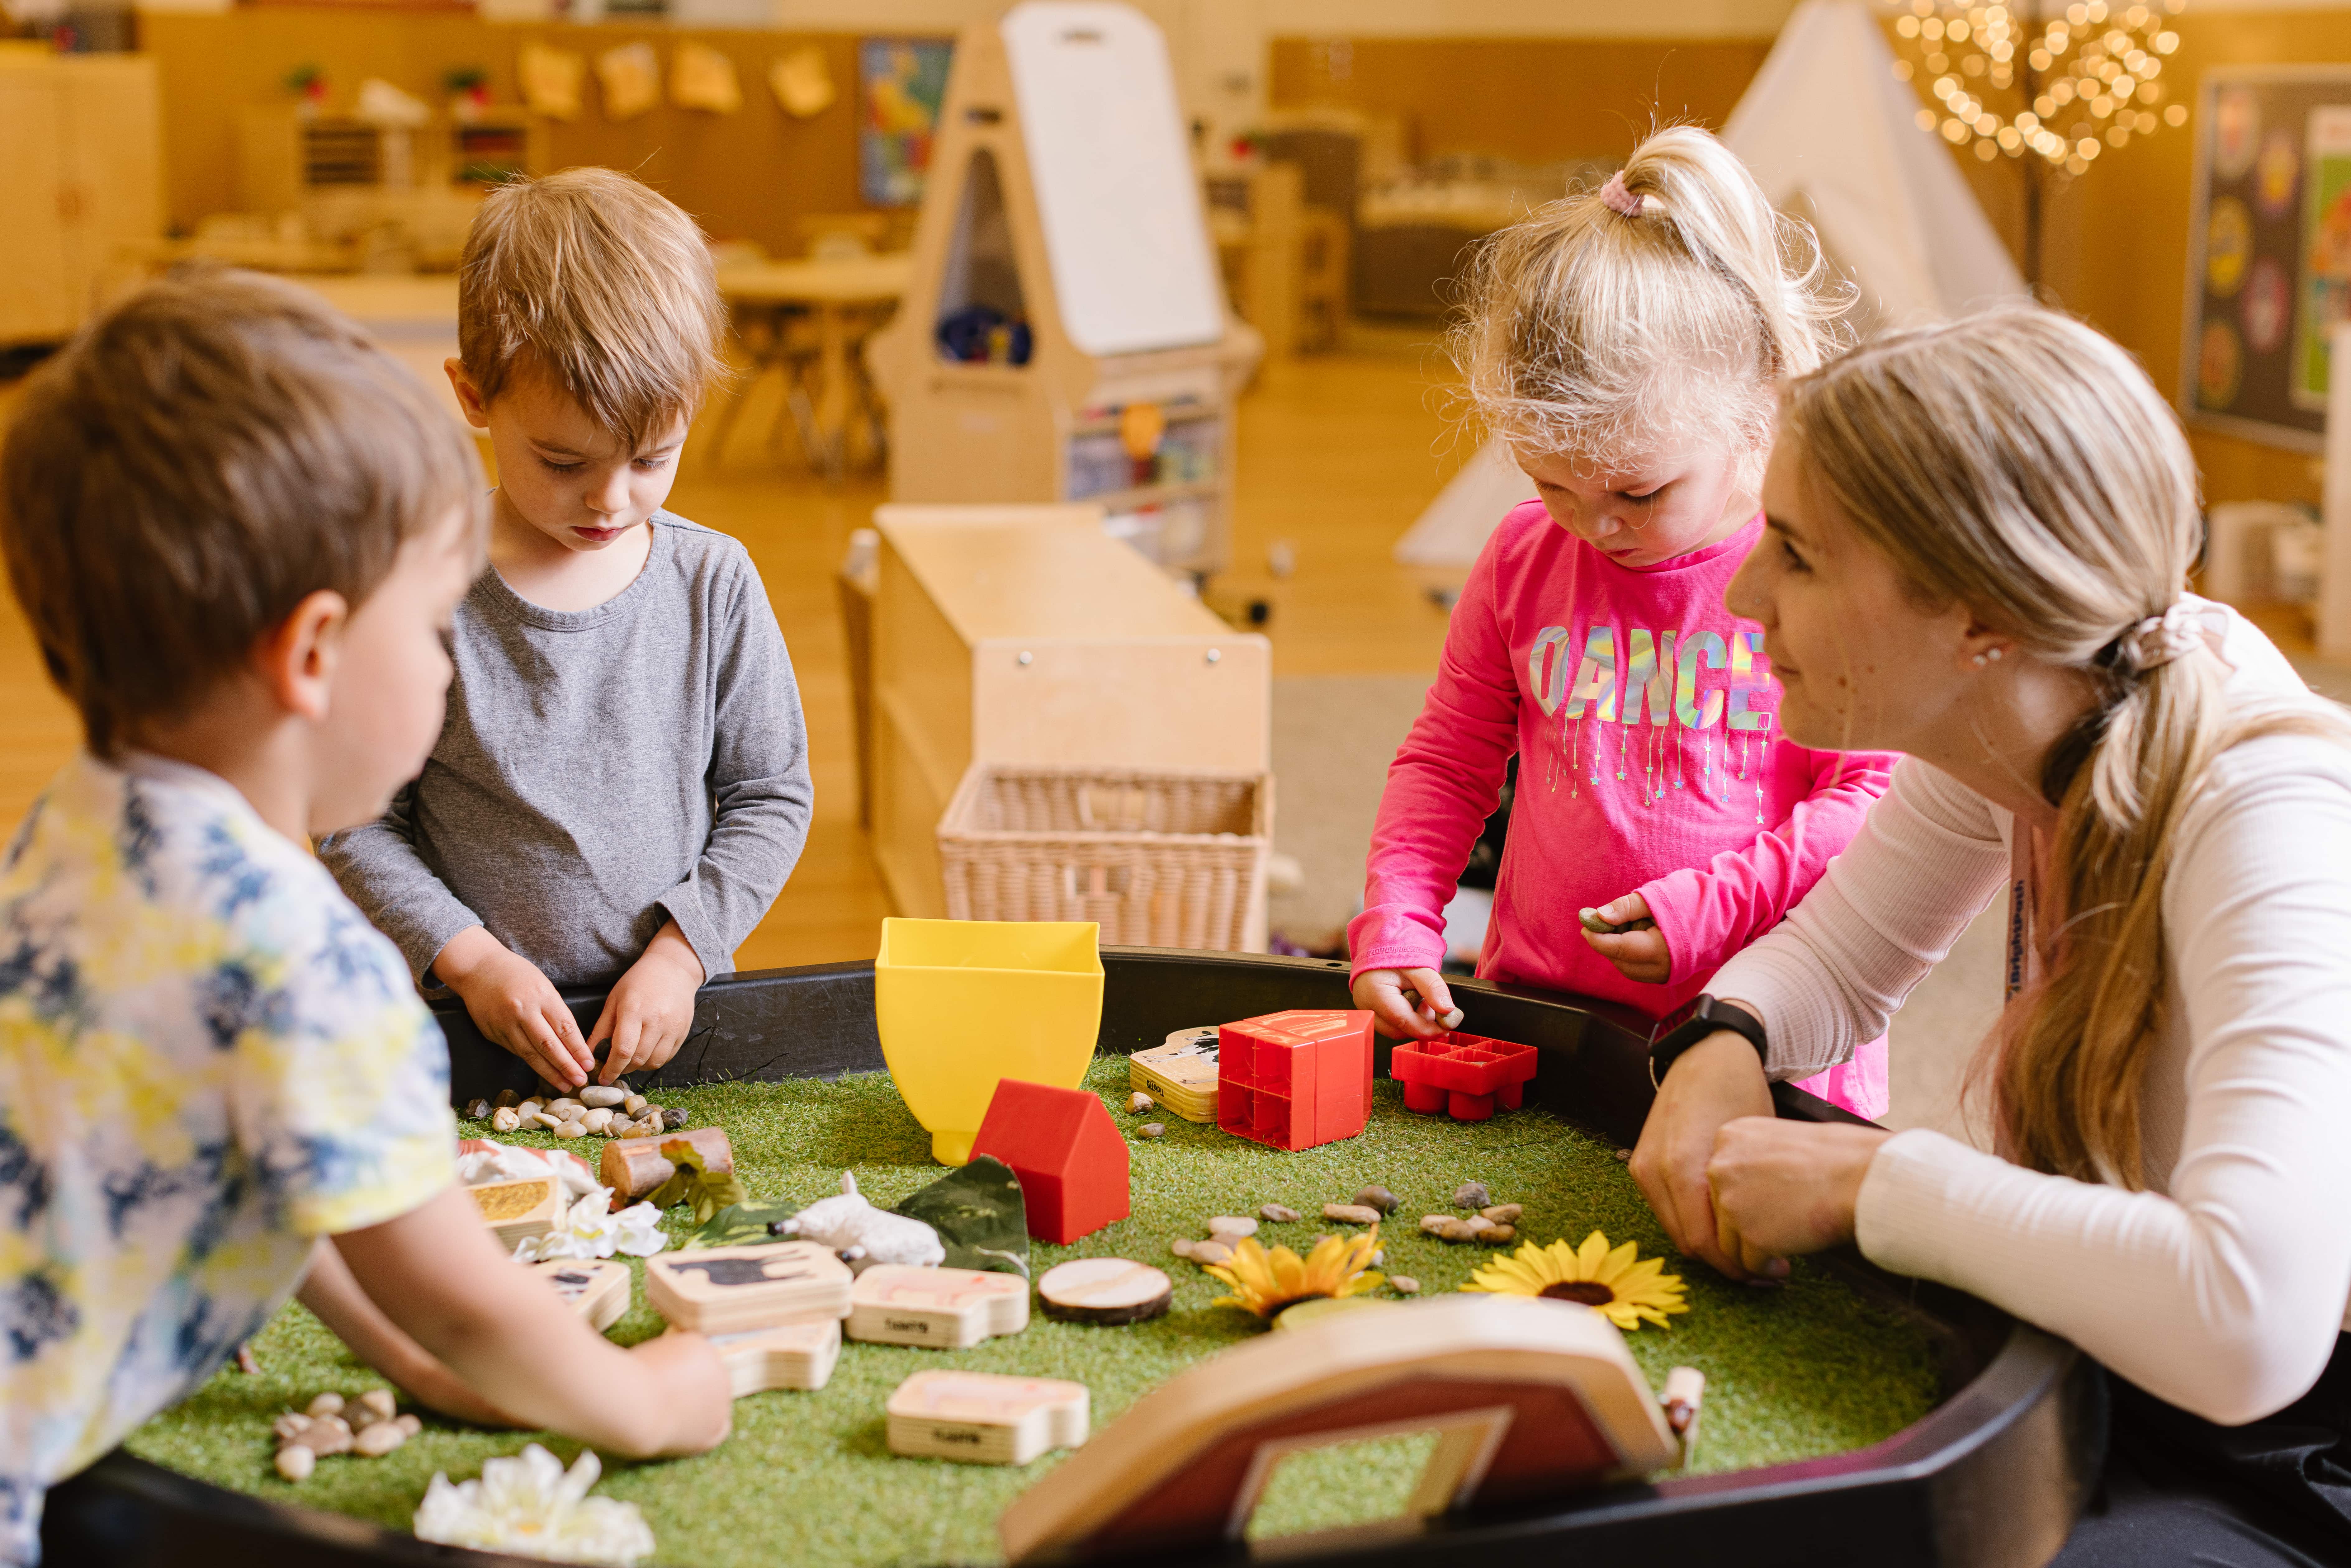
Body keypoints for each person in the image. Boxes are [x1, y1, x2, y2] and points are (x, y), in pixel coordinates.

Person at [0, 271, 731, 1566]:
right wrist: (645, 1400)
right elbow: (456, 1290)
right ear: (316, 653)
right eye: (436, 630)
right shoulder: (299, 950)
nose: (451, 669)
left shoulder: (76, 823)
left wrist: (394, 1357)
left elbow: (291, 1167)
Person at [1634, 304, 2351, 1563]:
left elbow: (2250, 1321)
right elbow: (1833, 965)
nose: (1744, 593)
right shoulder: (2034, 700)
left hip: (2303, 1443)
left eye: (1797, 554)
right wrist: (1721, 1043)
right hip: (2140, 1362)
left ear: (1977, 617)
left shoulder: (2264, 810)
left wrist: (1869, 1180)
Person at [1349, 126, 1898, 1118]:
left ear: (1758, 404)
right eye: (1550, 482)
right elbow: (1447, 758)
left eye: (1639, 493)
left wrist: (1715, 906)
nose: (1595, 527)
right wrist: (1397, 917)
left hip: (1771, 1042)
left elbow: (1873, 804)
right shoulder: (1524, 555)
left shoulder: (1827, 569)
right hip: (1540, 1020)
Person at [320, 168, 813, 1092]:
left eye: (652, 457)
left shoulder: (714, 580)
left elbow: (771, 794)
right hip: (463, 1028)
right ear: (473, 397)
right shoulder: (418, 588)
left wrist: (683, 953)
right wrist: (467, 959)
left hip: (672, 1023)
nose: (609, 498)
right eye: (562, 460)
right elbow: (351, 818)